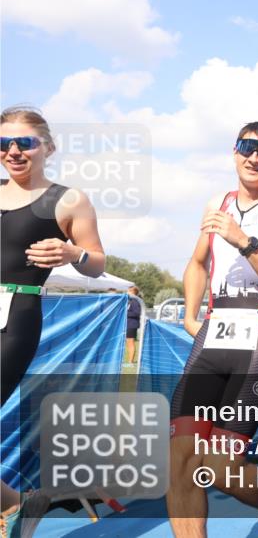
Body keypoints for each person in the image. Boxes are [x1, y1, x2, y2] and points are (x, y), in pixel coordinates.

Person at [167, 122, 258, 538]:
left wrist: (245, 241)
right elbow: (196, 263)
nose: (253, 158)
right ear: (234, 152)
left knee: (219, 468)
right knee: (180, 460)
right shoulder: (217, 202)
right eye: (246, 148)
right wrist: (192, 316)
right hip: (212, 336)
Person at [1, 106, 107, 538]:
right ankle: (16, 506)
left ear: (47, 146)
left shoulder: (67, 199)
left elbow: (98, 263)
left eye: (24, 142)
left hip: (16, 318)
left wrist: (72, 254)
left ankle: (14, 506)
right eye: (4, 143)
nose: (13, 151)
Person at [125, 286, 144, 365]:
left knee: (131, 342)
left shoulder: (135, 301)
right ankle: (130, 360)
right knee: (128, 343)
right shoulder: (130, 301)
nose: (127, 292)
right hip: (128, 324)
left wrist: (126, 313)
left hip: (132, 324)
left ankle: (130, 362)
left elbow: (137, 313)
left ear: (133, 292)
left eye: (128, 291)